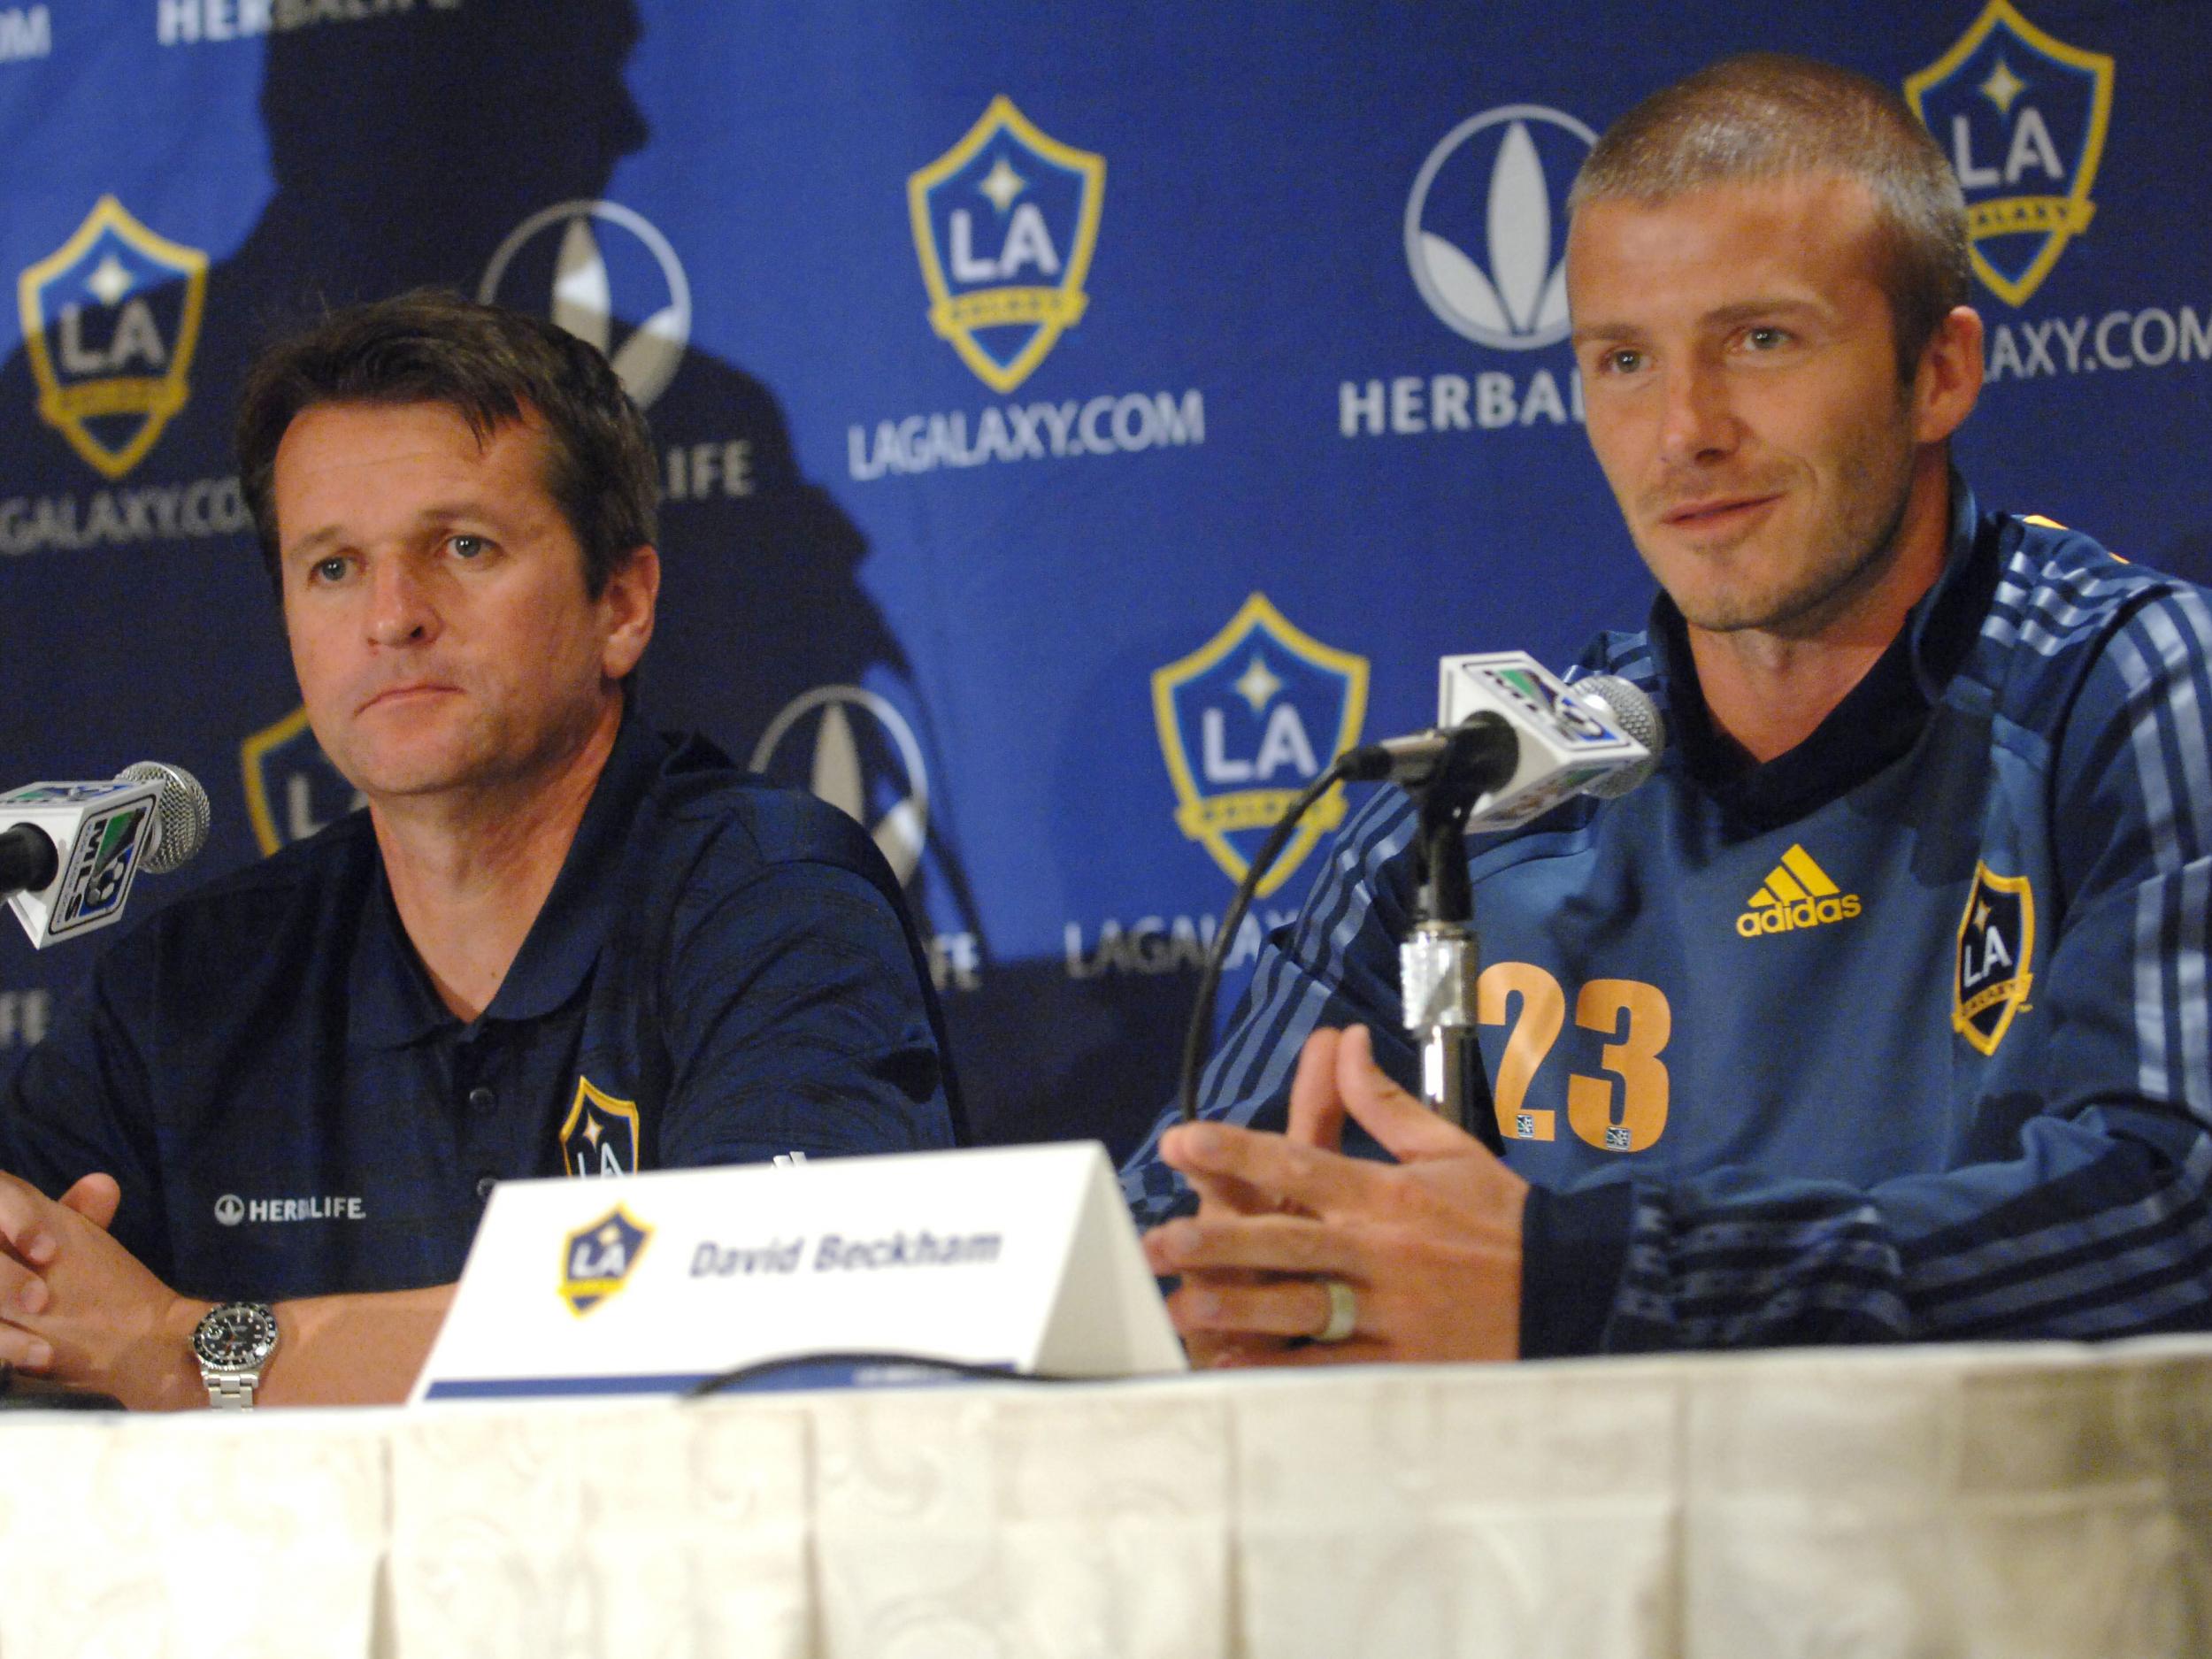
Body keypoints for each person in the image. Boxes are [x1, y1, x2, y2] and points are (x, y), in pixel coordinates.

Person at [1125, 53, 2212, 1365]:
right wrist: (1235, 1283)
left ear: (1940, 372)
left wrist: (1586, 1284)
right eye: (1623, 359)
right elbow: (1178, 1228)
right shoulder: (1496, 792)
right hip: (1568, 1558)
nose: (1684, 430)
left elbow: (2171, 1204)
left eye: (1762, 339)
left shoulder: (2125, 686)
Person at [0, 291, 959, 1408]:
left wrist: (188, 1348)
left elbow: (762, 1313)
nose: (394, 615)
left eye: (464, 546)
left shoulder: (769, 900)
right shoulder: (187, 986)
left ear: (621, 604)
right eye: (332, 568)